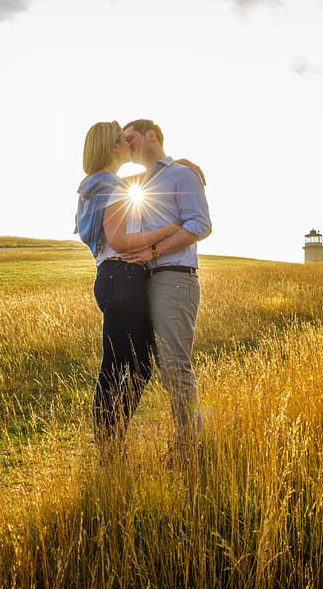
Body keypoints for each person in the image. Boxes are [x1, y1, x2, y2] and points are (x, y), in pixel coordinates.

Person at [74, 121, 181, 458]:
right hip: (123, 278)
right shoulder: (110, 186)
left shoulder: (93, 185)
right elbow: (119, 239)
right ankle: (109, 447)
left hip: (112, 278)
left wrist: (181, 165)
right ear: (111, 147)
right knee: (119, 365)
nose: (127, 146)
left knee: (136, 365)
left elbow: (140, 183)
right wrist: (166, 231)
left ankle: (113, 439)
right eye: (122, 141)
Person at [120, 119, 212, 467]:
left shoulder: (181, 176)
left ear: (152, 136)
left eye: (131, 138)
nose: (126, 145)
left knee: (175, 365)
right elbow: (103, 184)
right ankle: (186, 442)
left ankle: (191, 449)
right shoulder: (142, 182)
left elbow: (200, 225)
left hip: (174, 277)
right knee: (156, 365)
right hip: (148, 281)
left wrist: (155, 252)